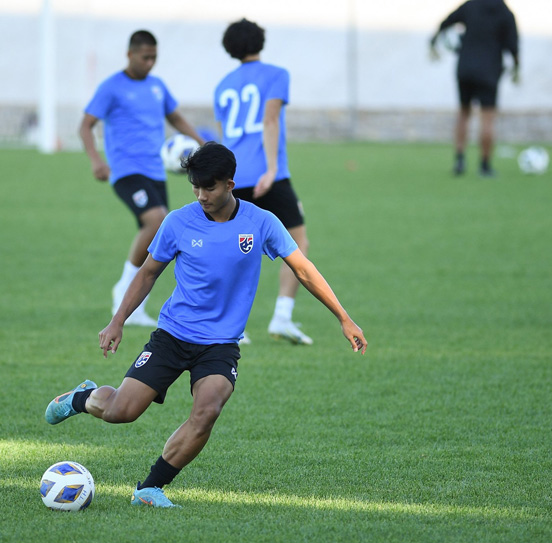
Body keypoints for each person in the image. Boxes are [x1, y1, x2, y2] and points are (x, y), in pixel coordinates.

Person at [45, 142, 368, 508]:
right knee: (122, 412)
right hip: (172, 335)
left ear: (230, 184)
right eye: (195, 187)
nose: (201, 195)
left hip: (220, 344)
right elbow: (148, 273)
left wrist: (344, 318)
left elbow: (304, 270)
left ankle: (150, 488)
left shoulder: (261, 222)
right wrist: (117, 321)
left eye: (209, 187)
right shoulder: (178, 222)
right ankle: (82, 398)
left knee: (207, 411)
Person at [79, 30, 205, 326]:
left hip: (156, 171)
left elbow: (175, 118)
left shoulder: (157, 86)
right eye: (145, 57)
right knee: (157, 221)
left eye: (154, 58)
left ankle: (137, 306)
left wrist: (203, 145)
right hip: (125, 171)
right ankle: (123, 290)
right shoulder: (111, 87)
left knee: (161, 236)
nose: (150, 63)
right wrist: (96, 160)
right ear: (130, 54)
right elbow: (85, 125)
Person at [214, 18, 312, 345]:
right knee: (296, 243)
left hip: (233, 176)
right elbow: (270, 120)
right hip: (268, 175)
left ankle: (230, 326)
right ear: (260, 41)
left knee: (233, 250)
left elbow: (223, 137)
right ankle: (282, 316)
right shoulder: (277, 74)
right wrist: (270, 170)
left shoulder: (223, 85)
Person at [429, 0, 519, 176]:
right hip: (489, 70)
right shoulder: (505, 12)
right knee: (487, 118)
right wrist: (517, 67)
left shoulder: (471, 5)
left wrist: (434, 40)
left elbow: (446, 21)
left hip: (465, 68)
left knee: (463, 113)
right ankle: (484, 165)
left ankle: (460, 160)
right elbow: (513, 45)